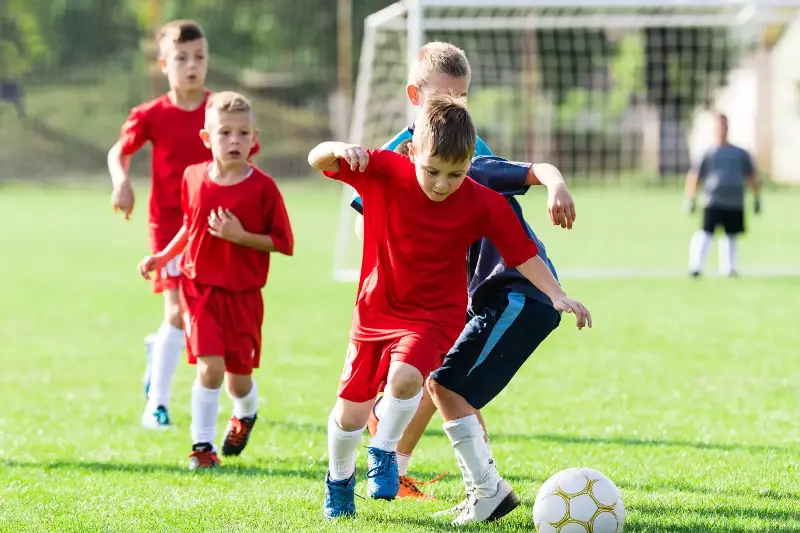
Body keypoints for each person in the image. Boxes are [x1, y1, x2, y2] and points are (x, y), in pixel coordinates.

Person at [308, 92, 591, 519]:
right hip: (375, 310)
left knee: (407, 379)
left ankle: (384, 451)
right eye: (433, 171)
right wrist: (336, 149)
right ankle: (339, 479)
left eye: (455, 174)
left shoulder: (482, 200)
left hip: (434, 316)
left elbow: (522, 253)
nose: (442, 184)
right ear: (412, 152)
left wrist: (556, 294)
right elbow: (318, 160)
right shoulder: (384, 170)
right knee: (350, 415)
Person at [354, 41, 576, 501]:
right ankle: (460, 482)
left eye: (462, 98)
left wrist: (555, 183)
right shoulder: (399, 155)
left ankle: (464, 484)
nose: (455, 108)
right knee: (439, 382)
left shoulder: (469, 150)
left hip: (495, 288)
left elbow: (517, 183)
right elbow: (369, 222)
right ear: (415, 97)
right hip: (439, 292)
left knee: (442, 382)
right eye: (444, 99)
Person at [139, 92, 294, 469]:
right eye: (225, 133)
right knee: (209, 368)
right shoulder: (193, 177)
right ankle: (202, 448)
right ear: (207, 138)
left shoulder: (263, 188)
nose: (235, 141)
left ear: (254, 137)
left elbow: (283, 243)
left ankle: (246, 412)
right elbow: (190, 228)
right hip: (199, 289)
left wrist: (240, 236)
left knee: (237, 381)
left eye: (243, 133)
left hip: (243, 296)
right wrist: (163, 256)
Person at [107, 20, 212, 429]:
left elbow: (242, 160)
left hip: (210, 228)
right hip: (168, 228)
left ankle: (159, 353)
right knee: (177, 312)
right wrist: (122, 182)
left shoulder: (221, 110)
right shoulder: (151, 114)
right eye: (182, 58)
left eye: (199, 57)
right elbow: (119, 152)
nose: (191, 65)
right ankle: (158, 405)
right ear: (164, 63)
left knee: (198, 313)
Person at [685, 112, 760, 277]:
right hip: (713, 200)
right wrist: (690, 198)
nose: (722, 130)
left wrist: (757, 198)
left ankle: (729, 268)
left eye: (725, 126)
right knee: (706, 232)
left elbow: (751, 175)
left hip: (734, 201)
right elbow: (695, 176)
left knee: (731, 234)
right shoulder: (708, 153)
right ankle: (696, 267)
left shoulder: (739, 153)